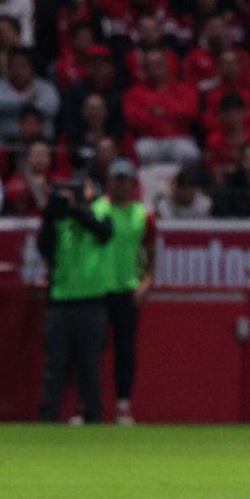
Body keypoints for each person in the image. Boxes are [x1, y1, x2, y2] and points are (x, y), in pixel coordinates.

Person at [37, 171, 114, 424]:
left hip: (92, 299)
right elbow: (44, 246)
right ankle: (48, 419)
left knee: (90, 367)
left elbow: (103, 232)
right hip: (61, 298)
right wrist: (49, 215)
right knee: (55, 366)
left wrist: (77, 209)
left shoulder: (101, 208)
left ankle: (93, 417)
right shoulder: (60, 214)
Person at [92, 160, 155, 426]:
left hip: (128, 290)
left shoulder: (143, 215)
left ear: (133, 183)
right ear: (110, 182)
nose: (120, 184)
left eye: (125, 179)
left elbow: (150, 253)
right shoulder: (97, 209)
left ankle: (123, 405)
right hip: (96, 288)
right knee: (91, 350)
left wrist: (146, 282)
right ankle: (89, 404)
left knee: (125, 350)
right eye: (116, 179)